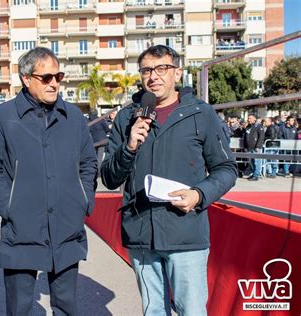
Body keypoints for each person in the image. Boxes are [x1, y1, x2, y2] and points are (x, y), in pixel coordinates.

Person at [100, 45, 237, 316]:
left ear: (177, 73)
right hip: (140, 234)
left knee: (192, 311)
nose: (154, 76)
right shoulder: (127, 117)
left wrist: (199, 194)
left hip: (185, 233)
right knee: (153, 312)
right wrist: (129, 147)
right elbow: (109, 177)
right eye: (147, 70)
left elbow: (226, 168)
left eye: (162, 68)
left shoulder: (200, 113)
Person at [0, 47, 97, 316]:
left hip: (67, 227)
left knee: (67, 307)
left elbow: (89, 162)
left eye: (58, 76)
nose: (54, 83)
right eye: (46, 77)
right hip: (22, 229)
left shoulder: (74, 117)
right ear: (26, 78)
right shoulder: (3, 117)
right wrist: (10, 206)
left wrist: (83, 199)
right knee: (20, 309)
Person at [243, 113, 264, 181]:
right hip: (249, 147)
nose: (248, 120)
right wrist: (245, 146)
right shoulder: (248, 126)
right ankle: (253, 173)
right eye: (248, 118)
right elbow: (245, 137)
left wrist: (258, 146)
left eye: (250, 118)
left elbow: (261, 137)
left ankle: (256, 175)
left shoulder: (259, 126)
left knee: (257, 162)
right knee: (251, 162)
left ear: (254, 119)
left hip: (256, 148)